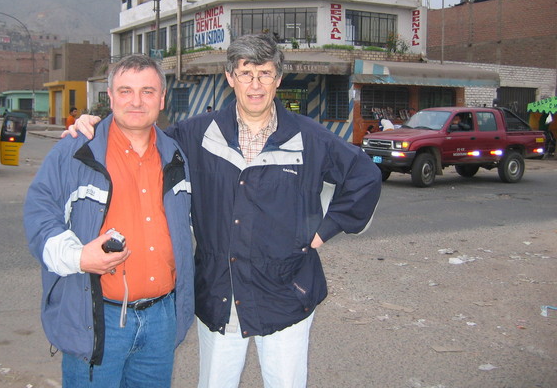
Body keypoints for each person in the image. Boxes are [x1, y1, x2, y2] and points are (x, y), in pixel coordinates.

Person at [69, 34, 382, 388]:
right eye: (246, 73)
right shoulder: (196, 134)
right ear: (230, 77)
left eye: (265, 74)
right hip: (219, 292)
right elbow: (139, 139)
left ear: (278, 79)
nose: (255, 85)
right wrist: (96, 127)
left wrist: (327, 229)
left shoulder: (307, 136)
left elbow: (364, 176)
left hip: (286, 291)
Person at [24, 54, 194, 388]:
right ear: (111, 96)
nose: (136, 101)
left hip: (162, 318)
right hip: (97, 316)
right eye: (126, 91)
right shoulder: (76, 150)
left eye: (147, 91)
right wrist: (78, 256)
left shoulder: (176, 153)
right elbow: (38, 212)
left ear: (161, 98)